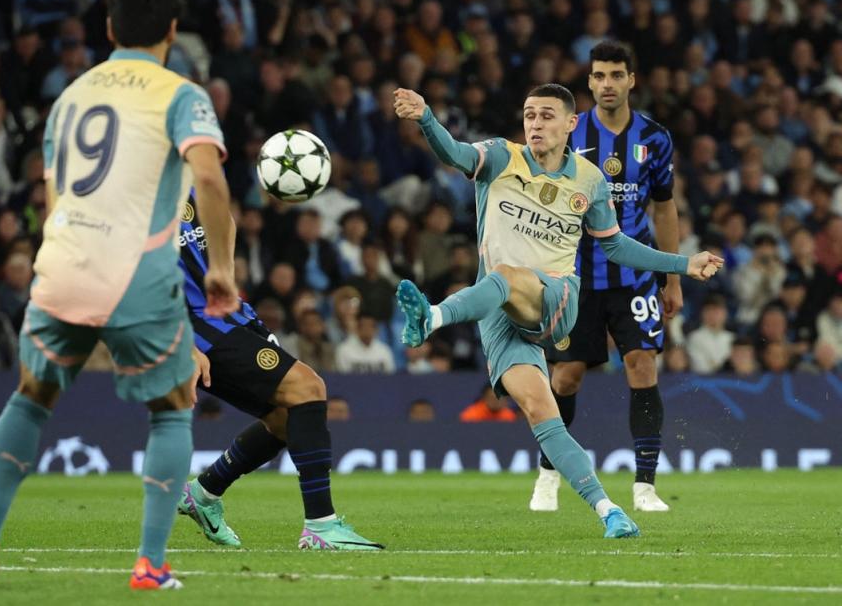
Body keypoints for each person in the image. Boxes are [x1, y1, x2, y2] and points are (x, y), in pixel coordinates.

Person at [0, 0, 239, 591]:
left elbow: (54, 195)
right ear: (173, 32)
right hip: (136, 274)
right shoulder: (181, 94)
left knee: (29, 396)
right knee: (174, 405)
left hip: (63, 264)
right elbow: (207, 180)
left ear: (108, 29)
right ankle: (151, 565)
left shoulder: (71, 95)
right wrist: (222, 271)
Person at [392, 82, 721, 539]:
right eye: (529, 115)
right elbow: (454, 154)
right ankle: (609, 511)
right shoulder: (501, 157)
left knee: (505, 275)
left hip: (556, 299)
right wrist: (426, 117)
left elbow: (618, 248)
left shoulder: (588, 180)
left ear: (570, 124)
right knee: (541, 414)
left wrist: (683, 265)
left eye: (547, 115)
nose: (535, 124)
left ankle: (433, 317)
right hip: (498, 314)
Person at [173, 189, 382, 551]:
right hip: (195, 326)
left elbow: (223, 219)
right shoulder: (135, 197)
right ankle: (321, 525)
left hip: (232, 312)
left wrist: (224, 271)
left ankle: (203, 493)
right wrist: (183, 344)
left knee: (287, 419)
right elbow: (131, 281)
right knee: (308, 388)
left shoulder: (188, 175)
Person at [540, 42, 682, 513]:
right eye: (599, 76)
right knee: (567, 377)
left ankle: (645, 487)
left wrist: (673, 277)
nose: (606, 85)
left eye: (616, 75)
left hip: (635, 275)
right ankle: (547, 474)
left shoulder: (655, 138)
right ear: (589, 82)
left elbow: (664, 208)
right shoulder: (570, 132)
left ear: (631, 80)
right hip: (575, 276)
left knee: (642, 364)